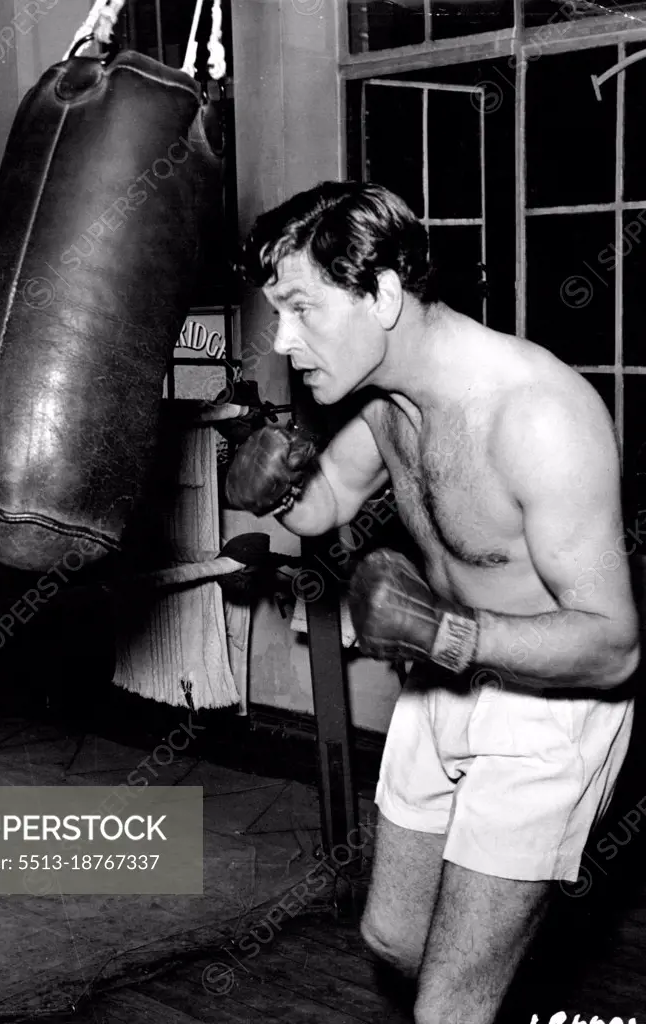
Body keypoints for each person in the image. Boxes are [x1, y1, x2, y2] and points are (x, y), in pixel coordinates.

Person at [225, 181, 640, 1024]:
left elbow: (616, 646)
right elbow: (331, 499)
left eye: (302, 310)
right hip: (442, 675)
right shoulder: (385, 400)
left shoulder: (538, 418)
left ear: (380, 295)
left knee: (449, 1005)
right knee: (393, 939)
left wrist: (445, 631)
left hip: (549, 707)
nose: (282, 341)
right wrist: (272, 489)